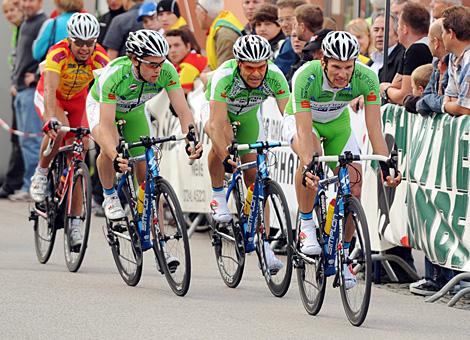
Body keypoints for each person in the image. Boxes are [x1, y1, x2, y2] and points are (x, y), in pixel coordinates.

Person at [282, 31, 401, 289]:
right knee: (311, 155)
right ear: (323, 61)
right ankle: (305, 225)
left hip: (338, 125)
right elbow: (303, 130)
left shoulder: (366, 78)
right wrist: (308, 165)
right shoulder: (307, 76)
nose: (342, 74)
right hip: (303, 122)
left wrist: (385, 165)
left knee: (354, 186)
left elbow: (374, 128)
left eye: (348, 67)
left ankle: (344, 256)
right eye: (336, 67)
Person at [86, 29, 202, 221]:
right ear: (135, 60)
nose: (158, 69)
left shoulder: (167, 70)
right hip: (103, 108)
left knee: (145, 171)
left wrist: (191, 139)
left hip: (135, 110)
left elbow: (183, 111)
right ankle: (109, 196)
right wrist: (115, 156)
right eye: (152, 64)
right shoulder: (115, 75)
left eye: (161, 62)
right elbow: (106, 124)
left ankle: (160, 244)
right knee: (109, 146)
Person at [204, 35, 290, 272]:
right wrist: (225, 155)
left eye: (261, 67)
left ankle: (264, 246)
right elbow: (216, 124)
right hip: (218, 113)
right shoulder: (224, 77)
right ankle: (218, 196)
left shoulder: (274, 76)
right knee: (221, 141)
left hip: (248, 115)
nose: (256, 73)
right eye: (250, 67)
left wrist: (298, 140)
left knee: (256, 178)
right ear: (239, 63)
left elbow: (290, 116)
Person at [29, 14, 109, 245]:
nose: (85, 48)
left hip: (78, 100)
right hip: (51, 97)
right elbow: (51, 91)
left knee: (81, 150)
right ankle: (42, 173)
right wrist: (50, 119)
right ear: (70, 40)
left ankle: (75, 221)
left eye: (90, 42)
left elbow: (106, 94)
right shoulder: (58, 53)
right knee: (60, 130)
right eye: (79, 43)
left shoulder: (101, 57)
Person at [10, 0, 47, 202]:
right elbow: (19, 56)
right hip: (21, 90)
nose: (26, 4)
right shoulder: (25, 23)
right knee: (25, 141)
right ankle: (29, 184)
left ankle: (32, 187)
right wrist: (15, 81)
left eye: (30, 0)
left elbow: (49, 53)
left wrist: (35, 75)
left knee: (33, 141)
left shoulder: (43, 22)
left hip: (32, 91)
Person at [380, 2, 433, 106]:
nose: (397, 30)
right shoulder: (410, 49)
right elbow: (396, 85)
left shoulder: (417, 50)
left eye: (398, 26)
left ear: (404, 29)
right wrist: (391, 90)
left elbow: (404, 96)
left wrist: (385, 89)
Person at [0, 0, 25, 199]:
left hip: (23, 89)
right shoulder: (17, 30)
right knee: (15, 137)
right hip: (16, 86)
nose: (9, 14)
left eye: (12, 10)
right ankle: (12, 182)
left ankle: (14, 182)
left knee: (22, 139)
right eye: (6, 12)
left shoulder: (26, 27)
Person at [195, 0, 244, 71]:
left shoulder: (224, 35)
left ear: (203, 15)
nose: (197, 18)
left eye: (197, 14)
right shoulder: (217, 29)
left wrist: (206, 76)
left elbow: (224, 73)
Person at [415, 18, 450, 116]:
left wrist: (428, 101)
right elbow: (422, 102)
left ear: (435, 42)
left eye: (428, 40)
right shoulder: (436, 64)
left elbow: (451, 101)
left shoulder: (454, 64)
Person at [441, 5, 470, 116]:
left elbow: (465, 109)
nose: (441, 36)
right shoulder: (453, 57)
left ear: (451, 34)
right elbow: (450, 96)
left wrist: (445, 106)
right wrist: (454, 105)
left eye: (443, 32)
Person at [166, 29, 207, 94]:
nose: (172, 50)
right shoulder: (188, 59)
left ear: (188, 46)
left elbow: (181, 93)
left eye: (176, 45)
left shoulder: (189, 65)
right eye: (169, 47)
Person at [368, 12, 405, 83]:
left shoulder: (402, 59)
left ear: (397, 34)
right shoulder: (371, 62)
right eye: (376, 30)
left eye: (384, 30)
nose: (379, 34)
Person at [274, 0, 306, 77]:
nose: (284, 24)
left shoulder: (292, 44)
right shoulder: (287, 41)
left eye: (288, 19)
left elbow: (277, 74)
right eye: (281, 20)